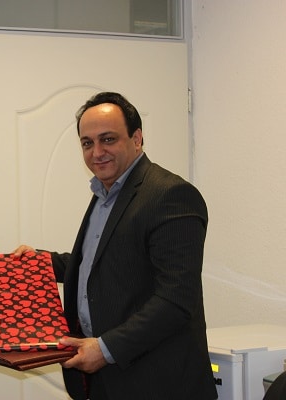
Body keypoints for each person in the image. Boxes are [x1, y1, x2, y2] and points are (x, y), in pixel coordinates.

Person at [12, 92, 218, 400]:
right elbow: (99, 264)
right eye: (87, 143)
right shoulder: (104, 194)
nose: (97, 152)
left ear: (137, 139)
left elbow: (176, 299)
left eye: (108, 139)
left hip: (158, 384)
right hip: (105, 381)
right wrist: (39, 262)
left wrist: (105, 349)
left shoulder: (171, 195)